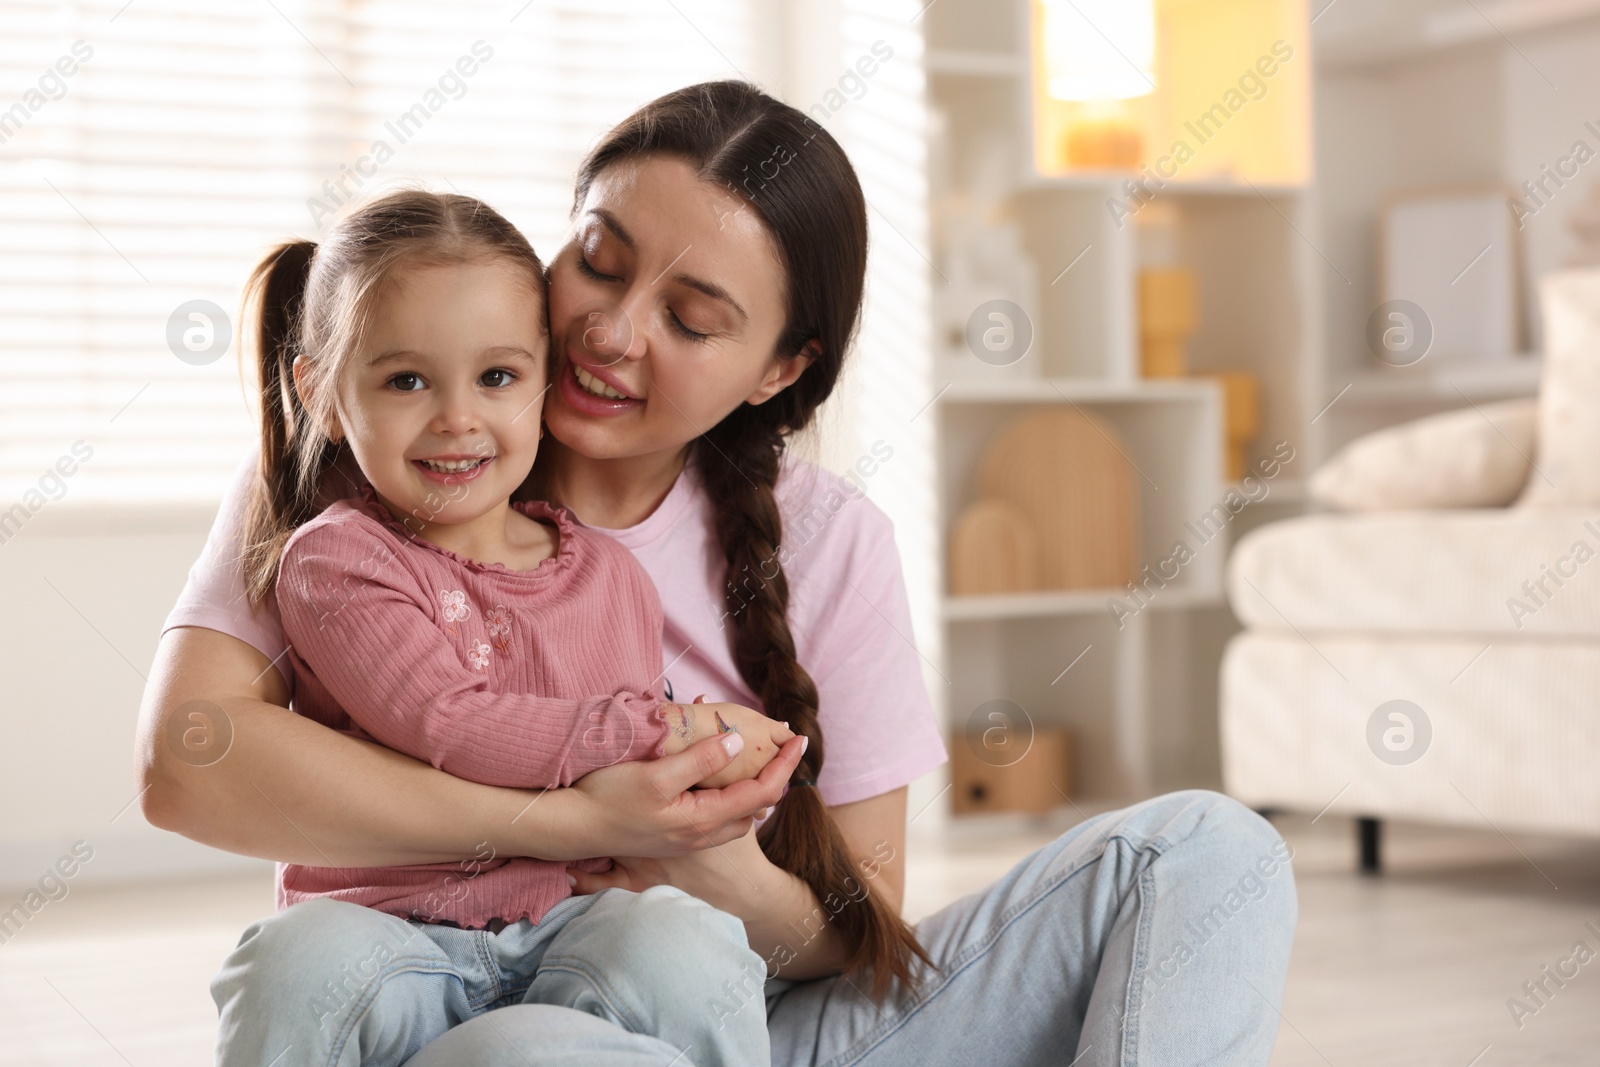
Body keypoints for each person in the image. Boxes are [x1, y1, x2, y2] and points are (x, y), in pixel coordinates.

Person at [139, 81, 1295, 1066]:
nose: (611, 331)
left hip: (753, 1018)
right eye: (598, 261)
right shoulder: (382, 452)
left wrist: (692, 849)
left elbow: (857, 937)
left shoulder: (826, 537)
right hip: (478, 1010)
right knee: (527, 1046)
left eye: (691, 319)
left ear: (776, 369)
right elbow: (189, 766)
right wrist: (566, 816)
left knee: (1207, 850)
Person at [206, 188, 794, 1066]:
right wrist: (675, 730)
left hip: (570, 923)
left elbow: (634, 772)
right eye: (406, 380)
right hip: (387, 938)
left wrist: (724, 766)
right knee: (291, 965)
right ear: (322, 396)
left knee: (690, 945)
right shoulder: (338, 560)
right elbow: (449, 720)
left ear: (544, 381)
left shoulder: (611, 575)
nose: (457, 417)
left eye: (497, 377)